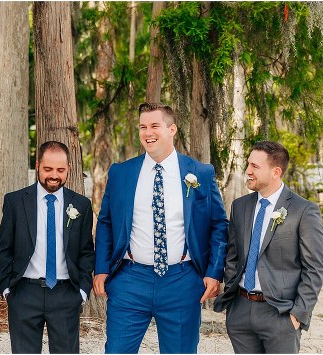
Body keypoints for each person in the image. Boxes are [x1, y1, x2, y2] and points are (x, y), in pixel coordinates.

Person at [93, 102, 228, 353]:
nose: (147, 132)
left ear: (172, 129)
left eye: (155, 125)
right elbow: (106, 222)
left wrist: (214, 271)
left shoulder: (200, 173)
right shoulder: (122, 172)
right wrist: (101, 268)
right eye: (143, 127)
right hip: (130, 279)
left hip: (182, 280)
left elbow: (218, 224)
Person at [213, 141, 323, 353]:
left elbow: (314, 269)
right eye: (248, 165)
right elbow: (233, 256)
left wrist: (297, 315)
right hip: (241, 311)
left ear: (276, 172)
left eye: (255, 166)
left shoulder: (304, 211)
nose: (248, 171)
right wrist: (232, 296)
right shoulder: (240, 206)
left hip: (280, 314)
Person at [0, 141, 95, 353]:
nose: (54, 175)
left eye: (60, 170)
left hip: (66, 294)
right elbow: (5, 248)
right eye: (48, 169)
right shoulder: (15, 201)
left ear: (69, 168)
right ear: (38, 165)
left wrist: (82, 291)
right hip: (24, 293)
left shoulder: (81, 205)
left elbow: (86, 251)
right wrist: (6, 288)